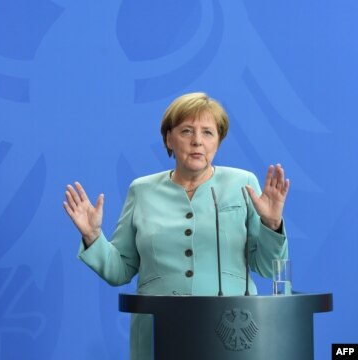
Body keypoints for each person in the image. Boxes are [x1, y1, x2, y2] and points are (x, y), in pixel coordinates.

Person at [63, 92, 289, 359]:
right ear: (169, 138)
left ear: (218, 141)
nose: (197, 141)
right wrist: (92, 236)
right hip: (158, 332)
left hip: (230, 333)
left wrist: (272, 223)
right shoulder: (142, 190)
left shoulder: (243, 184)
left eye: (208, 133)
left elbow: (265, 267)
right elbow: (120, 270)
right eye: (186, 131)